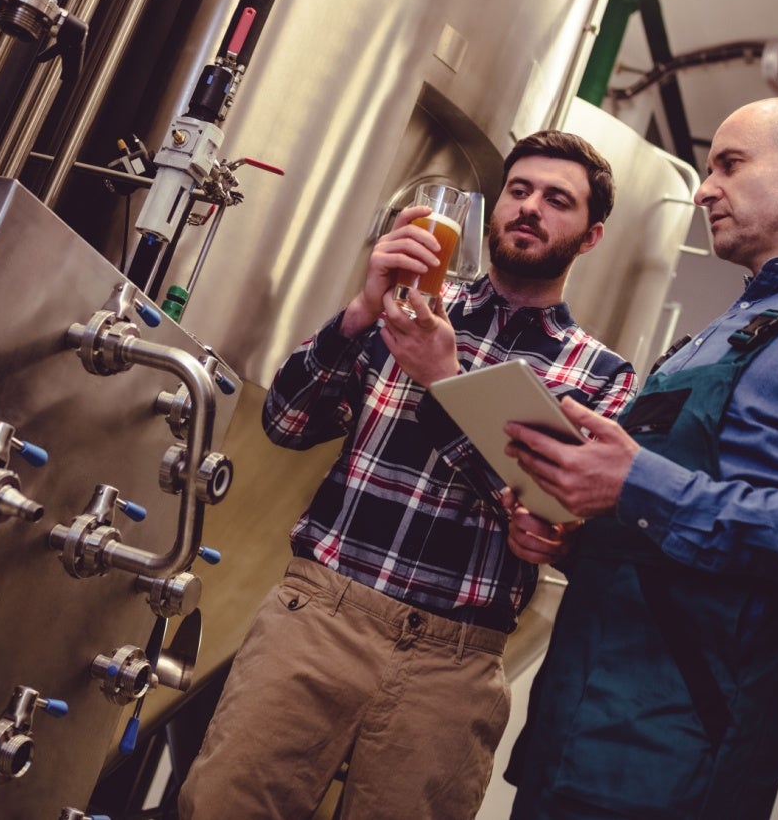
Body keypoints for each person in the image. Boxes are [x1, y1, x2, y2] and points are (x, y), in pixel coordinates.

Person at [502, 97, 778, 819]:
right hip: (574, 722)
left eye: (729, 164)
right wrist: (574, 539)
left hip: (683, 746)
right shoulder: (714, 335)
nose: (705, 188)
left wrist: (638, 480)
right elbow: (659, 524)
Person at [179, 131, 638, 820]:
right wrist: (359, 310)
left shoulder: (602, 376)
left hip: (455, 663)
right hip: (322, 615)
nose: (530, 207)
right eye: (518, 190)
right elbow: (286, 423)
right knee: (221, 806)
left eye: (556, 199)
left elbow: (546, 518)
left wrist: (443, 382)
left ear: (592, 235)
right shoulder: (411, 304)